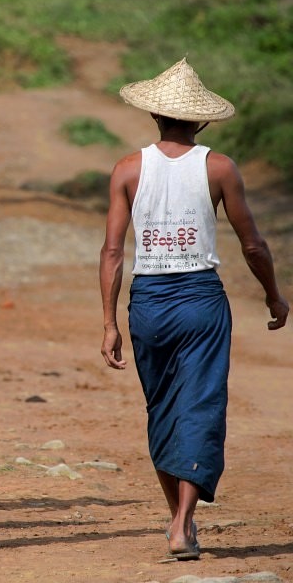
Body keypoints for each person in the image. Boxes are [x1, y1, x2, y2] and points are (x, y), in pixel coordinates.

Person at [99, 58, 288, 561]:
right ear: (201, 120)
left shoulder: (127, 168)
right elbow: (253, 245)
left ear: (155, 117)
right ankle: (183, 522)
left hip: (149, 303)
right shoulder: (219, 167)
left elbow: (113, 252)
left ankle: (179, 519)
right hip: (202, 300)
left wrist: (108, 324)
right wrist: (273, 294)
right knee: (200, 406)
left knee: (161, 407)